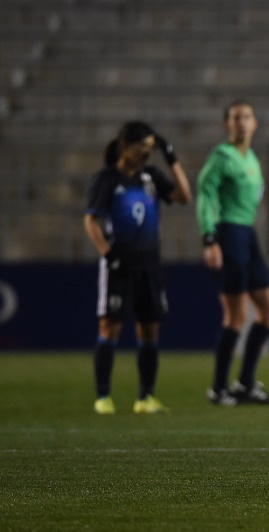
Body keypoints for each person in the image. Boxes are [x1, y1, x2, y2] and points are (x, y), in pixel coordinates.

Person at [84, 120, 192, 415]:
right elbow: (91, 221)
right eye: (140, 147)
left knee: (150, 329)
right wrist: (107, 253)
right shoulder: (107, 179)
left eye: (150, 148)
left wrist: (172, 159)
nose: (146, 153)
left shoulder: (152, 176)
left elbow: (184, 196)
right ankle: (103, 396)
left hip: (149, 264)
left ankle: (146, 397)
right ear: (124, 147)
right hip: (119, 263)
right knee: (110, 325)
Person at [196, 100, 269, 406]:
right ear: (227, 125)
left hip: (248, 234)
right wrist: (209, 238)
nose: (242, 122)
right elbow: (205, 196)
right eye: (236, 118)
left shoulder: (252, 158)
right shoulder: (222, 157)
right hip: (228, 233)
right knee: (236, 316)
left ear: (255, 123)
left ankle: (245, 383)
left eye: (247, 116)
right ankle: (218, 388)